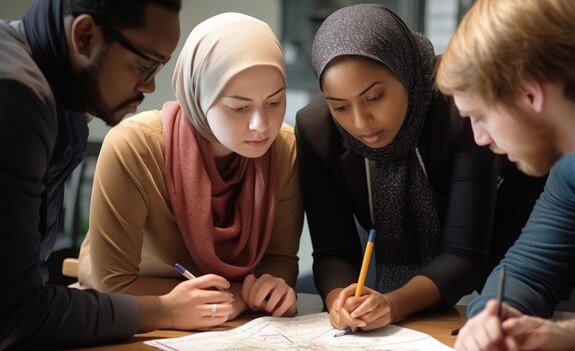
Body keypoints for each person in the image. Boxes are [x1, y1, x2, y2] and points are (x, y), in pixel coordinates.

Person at [0, 0, 245, 348]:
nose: (148, 87)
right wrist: (163, 310)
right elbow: (15, 313)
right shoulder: (16, 95)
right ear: (84, 35)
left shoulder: (43, 84)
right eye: (144, 65)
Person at [295, 3, 542, 332]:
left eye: (375, 97)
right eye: (340, 106)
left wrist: (392, 304)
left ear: (405, 74)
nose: (359, 122)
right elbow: (333, 252)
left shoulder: (458, 109)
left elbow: (464, 256)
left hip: (502, 268)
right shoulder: (318, 130)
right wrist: (341, 300)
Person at [78, 12, 303, 323]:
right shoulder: (134, 147)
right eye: (239, 107)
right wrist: (234, 295)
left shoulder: (285, 148)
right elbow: (113, 284)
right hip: (137, 317)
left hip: (235, 324)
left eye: (275, 103)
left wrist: (273, 288)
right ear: (199, 96)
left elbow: (280, 260)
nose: (261, 125)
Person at [436, 0, 575, 349]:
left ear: (529, 93)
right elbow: (530, 270)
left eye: (480, 116)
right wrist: (488, 320)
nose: (479, 138)